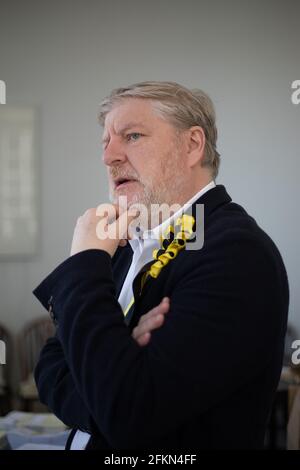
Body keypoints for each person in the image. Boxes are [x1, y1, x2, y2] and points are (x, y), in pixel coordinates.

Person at [33, 81, 289, 450]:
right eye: (105, 143)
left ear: (192, 145)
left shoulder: (237, 254)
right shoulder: (126, 242)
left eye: (132, 136)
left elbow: (127, 411)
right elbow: (50, 364)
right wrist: (114, 359)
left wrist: (85, 263)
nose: (109, 157)